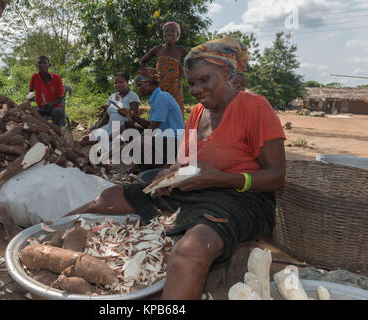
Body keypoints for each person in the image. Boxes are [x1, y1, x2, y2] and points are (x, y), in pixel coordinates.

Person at [65, 35, 286, 300]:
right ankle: (45, 237)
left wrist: (222, 179)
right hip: (196, 191)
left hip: (241, 199)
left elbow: (276, 177)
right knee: (107, 198)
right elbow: (184, 161)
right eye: (192, 84)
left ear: (227, 72)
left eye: (205, 80)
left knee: (189, 250)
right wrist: (168, 174)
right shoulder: (197, 113)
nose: (197, 90)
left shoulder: (255, 106)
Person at [117, 68, 185, 170]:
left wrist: (119, 150)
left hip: (174, 141)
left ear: (150, 83)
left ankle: (159, 169)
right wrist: (131, 115)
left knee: (143, 141)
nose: (139, 89)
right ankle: (145, 165)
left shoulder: (162, 97)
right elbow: (151, 125)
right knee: (126, 128)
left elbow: (151, 129)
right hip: (162, 137)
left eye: (140, 85)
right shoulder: (156, 98)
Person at [140, 21, 189, 117]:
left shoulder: (181, 50)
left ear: (177, 35)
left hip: (176, 88)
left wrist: (185, 71)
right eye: (167, 31)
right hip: (160, 88)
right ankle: (157, 131)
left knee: (176, 112)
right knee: (159, 112)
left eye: (172, 31)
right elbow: (142, 62)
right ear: (163, 34)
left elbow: (193, 61)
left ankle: (177, 131)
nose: (169, 33)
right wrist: (149, 75)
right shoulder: (157, 49)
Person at [82, 72, 141, 147]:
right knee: (86, 138)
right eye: (116, 83)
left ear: (127, 82)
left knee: (109, 149)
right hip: (109, 127)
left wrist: (117, 133)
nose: (118, 85)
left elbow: (133, 119)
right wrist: (97, 127)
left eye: (121, 82)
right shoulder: (113, 96)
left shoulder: (132, 96)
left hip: (123, 130)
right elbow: (107, 116)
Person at [29, 56, 65, 127]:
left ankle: (57, 132)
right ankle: (40, 132)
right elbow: (31, 91)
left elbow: (60, 98)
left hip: (54, 108)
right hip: (40, 108)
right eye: (40, 63)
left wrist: (49, 105)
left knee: (57, 113)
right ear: (37, 66)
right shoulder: (35, 77)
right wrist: (30, 97)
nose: (42, 65)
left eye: (45, 63)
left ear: (49, 65)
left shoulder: (57, 78)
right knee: (29, 113)